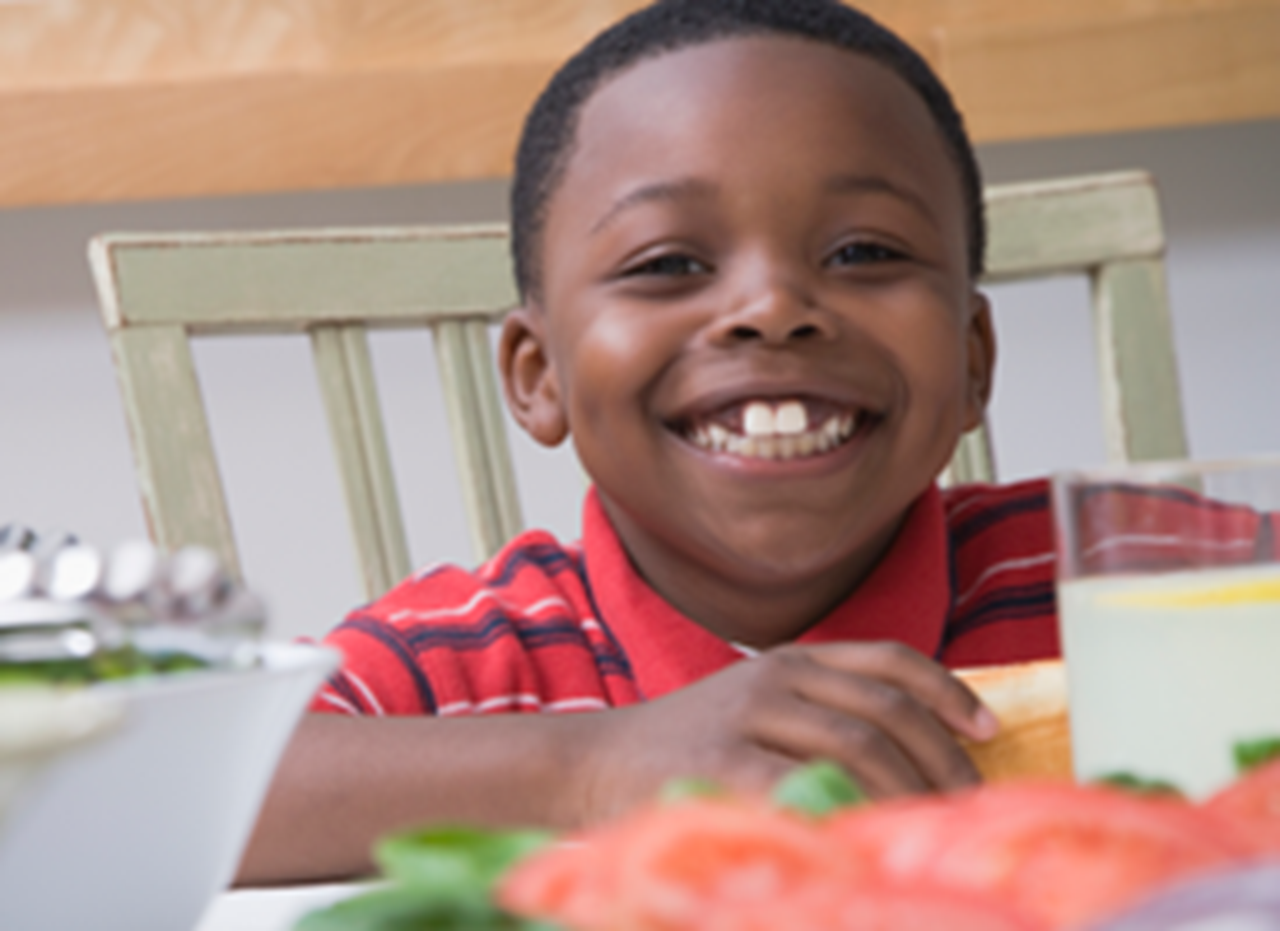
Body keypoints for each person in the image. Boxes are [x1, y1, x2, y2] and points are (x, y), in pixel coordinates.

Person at [237, 0, 1062, 884]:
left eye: (862, 252)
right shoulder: (462, 662)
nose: (773, 308)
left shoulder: (1115, 580)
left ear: (974, 359)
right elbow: (170, 795)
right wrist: (593, 763)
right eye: (669, 264)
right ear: (536, 373)